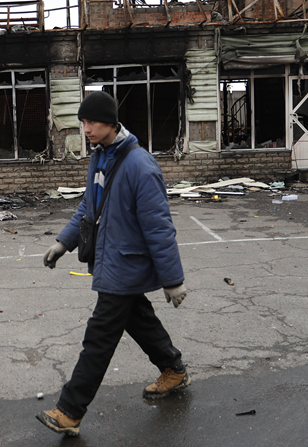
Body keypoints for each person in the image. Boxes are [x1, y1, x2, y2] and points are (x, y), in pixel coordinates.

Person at [36, 91, 188, 437]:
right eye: (83, 122)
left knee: (99, 338)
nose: (86, 129)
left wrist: (172, 279)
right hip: (111, 260)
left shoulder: (140, 166)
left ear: (110, 123)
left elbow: (159, 227)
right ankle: (174, 369)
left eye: (92, 122)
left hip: (125, 265)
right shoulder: (100, 157)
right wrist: (64, 242)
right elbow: (89, 207)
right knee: (139, 319)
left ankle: (69, 411)